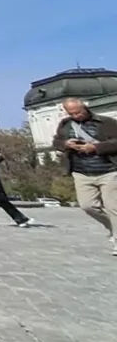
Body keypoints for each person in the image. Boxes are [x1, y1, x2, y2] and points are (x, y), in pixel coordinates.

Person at [53, 97, 117, 255]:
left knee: (113, 207)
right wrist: (66, 144)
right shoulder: (65, 125)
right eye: (71, 113)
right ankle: (112, 228)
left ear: (85, 108)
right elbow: (56, 142)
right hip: (81, 171)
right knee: (88, 206)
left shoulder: (106, 122)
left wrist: (95, 147)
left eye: (78, 112)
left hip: (108, 169)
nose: (76, 116)